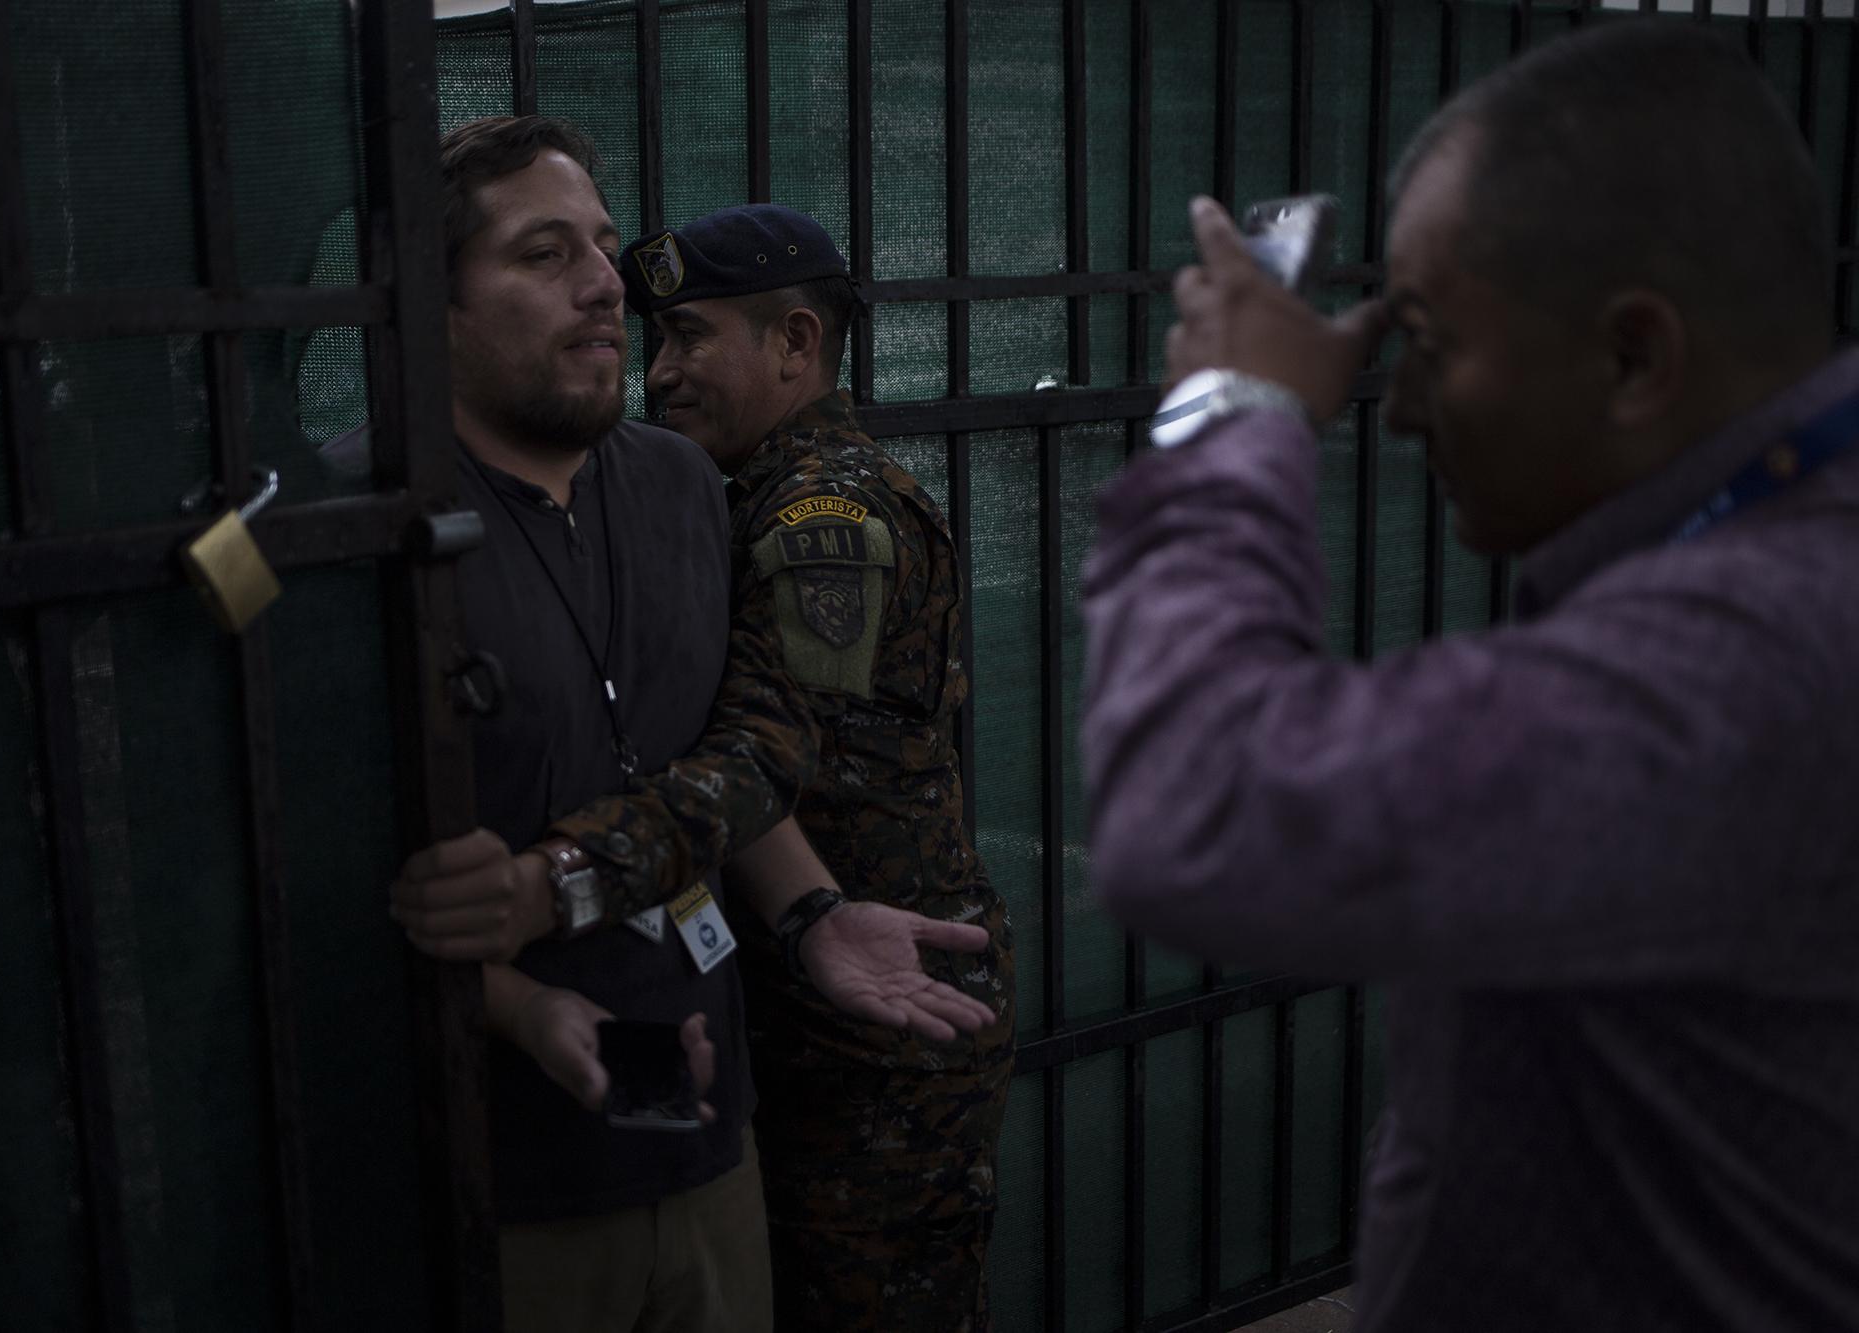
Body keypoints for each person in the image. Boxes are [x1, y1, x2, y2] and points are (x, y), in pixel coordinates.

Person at [1082, 20, 1859, 1333]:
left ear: (1634, 358)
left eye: (1430, 340)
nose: (1397, 410)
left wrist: (1229, 413)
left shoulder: (1748, 657)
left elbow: (1199, 805)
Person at [364, 116, 994, 1333]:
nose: (610, 298)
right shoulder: (369, 529)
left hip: (736, 1090)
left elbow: (747, 747)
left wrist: (790, 907)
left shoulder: (712, 494)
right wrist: (518, 990)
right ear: (427, 303)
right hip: (527, 1159)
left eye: (600, 251)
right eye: (546, 254)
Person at [576, 203, 1013, 1331]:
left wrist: (572, 868)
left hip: (873, 1031)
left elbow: (777, 752)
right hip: (805, 995)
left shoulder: (826, 513)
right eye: (654, 342)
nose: (659, 373)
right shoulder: (744, 497)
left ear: (796, 344)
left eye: (691, 338)